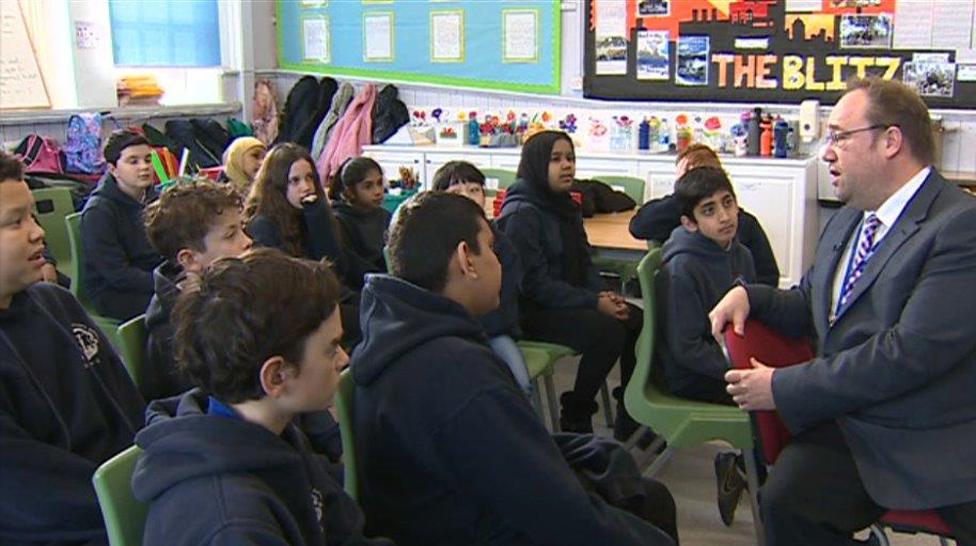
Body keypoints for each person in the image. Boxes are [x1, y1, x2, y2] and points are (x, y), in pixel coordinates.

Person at [713, 78, 976, 546]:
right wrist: (751, 295)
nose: (826, 152)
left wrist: (782, 385)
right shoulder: (853, 216)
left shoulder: (958, 228)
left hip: (928, 430)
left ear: (890, 141)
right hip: (856, 418)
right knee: (785, 504)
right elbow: (810, 306)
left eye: (838, 136)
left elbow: (908, 354)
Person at [350, 191, 677, 546]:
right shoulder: (455, 370)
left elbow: (506, 452)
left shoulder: (397, 332)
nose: (500, 262)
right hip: (469, 526)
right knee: (645, 511)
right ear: (466, 260)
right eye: (491, 248)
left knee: (641, 492)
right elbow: (552, 511)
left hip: (446, 513)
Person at [132, 248, 392, 546]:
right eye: (331, 348)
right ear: (276, 377)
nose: (344, 359)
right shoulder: (232, 523)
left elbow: (346, 535)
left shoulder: (274, 433)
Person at [0, 150, 145, 546]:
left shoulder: (57, 304)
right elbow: (36, 499)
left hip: (135, 491)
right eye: (14, 222)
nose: (37, 232)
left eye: (32, 215)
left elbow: (130, 410)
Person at [496, 130, 641, 438]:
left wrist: (602, 294)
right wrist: (592, 302)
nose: (567, 166)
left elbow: (584, 261)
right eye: (556, 159)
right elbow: (533, 285)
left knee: (634, 317)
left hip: (566, 300)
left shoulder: (565, 205)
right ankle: (576, 412)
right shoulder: (521, 213)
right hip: (532, 312)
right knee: (608, 330)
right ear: (536, 164)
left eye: (571, 158)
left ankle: (630, 412)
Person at [655, 166, 756, 526]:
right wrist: (743, 370)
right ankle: (756, 478)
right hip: (691, 373)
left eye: (728, 203)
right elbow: (685, 350)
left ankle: (745, 468)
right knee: (779, 400)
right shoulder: (683, 267)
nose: (725, 216)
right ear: (690, 223)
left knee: (795, 385)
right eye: (709, 210)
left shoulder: (739, 253)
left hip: (728, 359)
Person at [142, 179, 253, 402]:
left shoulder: (234, 286)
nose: (248, 241)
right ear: (190, 259)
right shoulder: (173, 330)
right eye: (231, 235)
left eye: (243, 228)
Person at [244, 143, 361, 344]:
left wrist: (316, 216)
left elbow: (336, 265)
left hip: (328, 295)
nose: (306, 187)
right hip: (301, 309)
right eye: (294, 181)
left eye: (309, 178)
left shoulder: (313, 213)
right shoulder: (263, 225)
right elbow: (285, 286)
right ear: (278, 186)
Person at [430, 160, 530, 396]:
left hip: (493, 332)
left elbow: (507, 299)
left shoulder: (501, 243)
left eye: (474, 190)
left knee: (520, 384)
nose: (466, 197)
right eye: (455, 192)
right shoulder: (432, 245)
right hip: (446, 332)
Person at [628, 143, 779, 286]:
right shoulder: (678, 223)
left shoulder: (745, 226)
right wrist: (684, 194)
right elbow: (638, 226)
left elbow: (768, 277)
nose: (724, 217)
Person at [80, 130, 163, 320]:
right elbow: (117, 274)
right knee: (182, 304)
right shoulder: (98, 212)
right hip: (114, 292)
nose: (144, 167)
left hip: (153, 277)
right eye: (133, 161)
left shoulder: (156, 198)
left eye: (148, 160)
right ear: (113, 169)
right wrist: (165, 283)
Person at [330, 157, 392, 289]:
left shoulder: (385, 216)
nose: (377, 191)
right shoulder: (339, 221)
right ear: (350, 192)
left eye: (380, 183)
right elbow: (353, 268)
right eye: (368, 186)